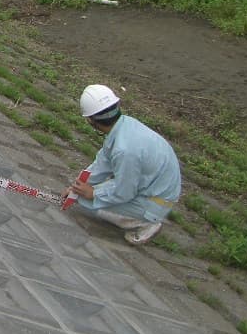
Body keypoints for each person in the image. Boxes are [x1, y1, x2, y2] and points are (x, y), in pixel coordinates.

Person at [63, 84, 181, 245]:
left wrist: (93, 194)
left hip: (155, 202)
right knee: (84, 196)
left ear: (90, 120)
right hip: (152, 186)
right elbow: (102, 163)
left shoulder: (125, 150)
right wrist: (78, 186)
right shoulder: (125, 126)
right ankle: (137, 214)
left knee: (91, 203)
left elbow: (124, 191)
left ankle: (147, 223)